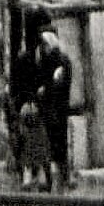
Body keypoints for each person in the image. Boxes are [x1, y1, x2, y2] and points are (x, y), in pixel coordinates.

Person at [34, 21, 74, 190]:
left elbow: (59, 83)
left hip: (56, 107)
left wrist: (45, 89)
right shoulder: (48, 59)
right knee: (51, 143)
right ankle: (55, 176)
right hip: (51, 107)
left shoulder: (59, 60)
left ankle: (59, 176)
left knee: (57, 143)